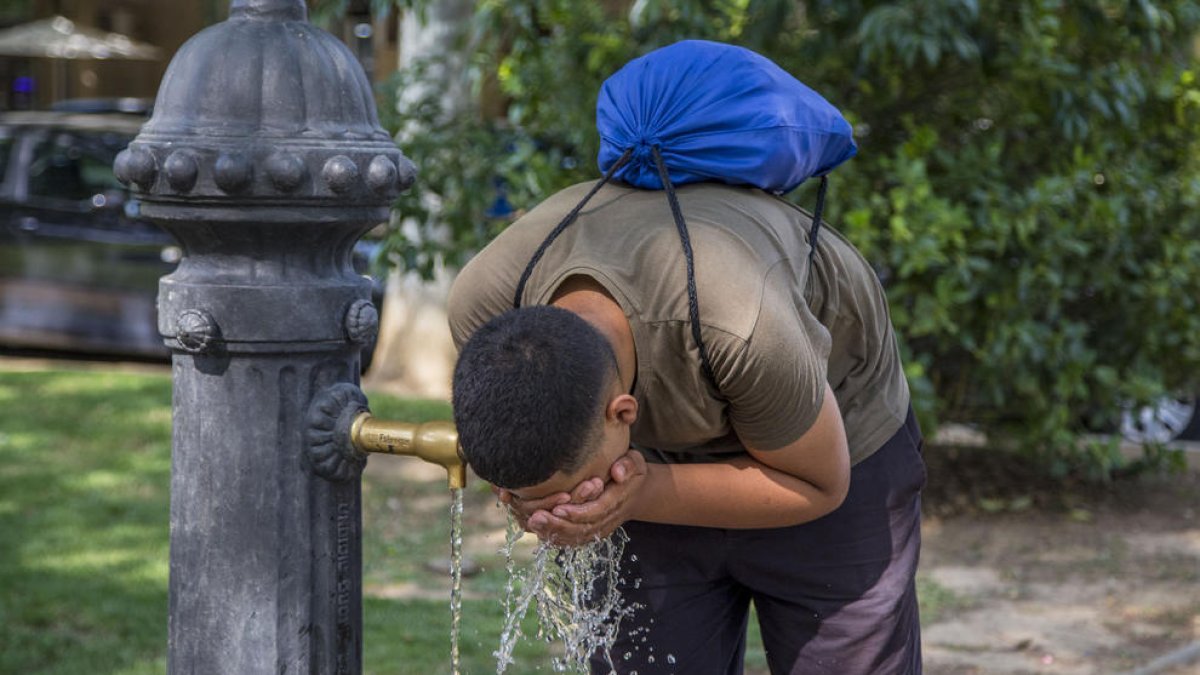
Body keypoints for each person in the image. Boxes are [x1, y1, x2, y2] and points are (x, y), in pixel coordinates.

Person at [448, 43, 924, 675]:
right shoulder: (488, 308)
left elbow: (818, 484)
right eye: (542, 507)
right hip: (644, 471)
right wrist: (559, 499)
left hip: (829, 448)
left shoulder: (739, 320)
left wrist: (633, 495)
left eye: (569, 495)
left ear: (625, 413)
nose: (557, 517)